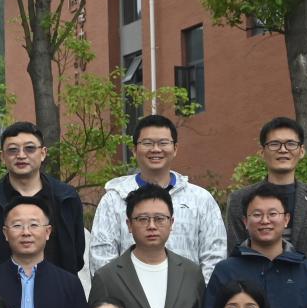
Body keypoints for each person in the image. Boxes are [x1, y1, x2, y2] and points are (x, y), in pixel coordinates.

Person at [86, 115, 227, 280]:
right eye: (147, 143)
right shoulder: (113, 200)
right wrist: (120, 295)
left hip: (188, 295)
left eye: (163, 143)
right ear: (134, 150)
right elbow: (101, 259)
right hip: (128, 294)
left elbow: (214, 257)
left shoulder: (200, 199)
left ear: (175, 148)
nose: (156, 149)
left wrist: (198, 294)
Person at [226, 117, 307, 279]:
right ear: (262, 152)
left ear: (301, 151)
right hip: (255, 289)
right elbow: (236, 252)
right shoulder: (240, 199)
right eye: (274, 144)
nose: (283, 150)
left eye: (291, 144)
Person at [0, 121, 85, 275]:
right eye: (13, 150)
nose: (21, 155)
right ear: (2, 157)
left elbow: (77, 254)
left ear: (43, 153)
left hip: (59, 286)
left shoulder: (66, 198)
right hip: (1, 287)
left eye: (30, 148)